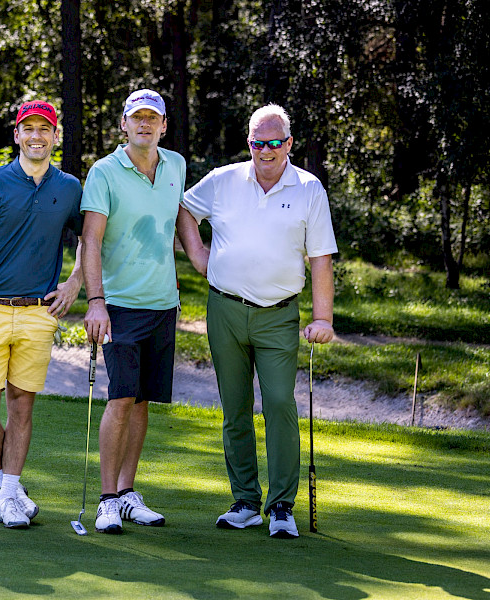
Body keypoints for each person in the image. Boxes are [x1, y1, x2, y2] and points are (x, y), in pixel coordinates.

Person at [176, 103, 337, 539]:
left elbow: (321, 258)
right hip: (224, 309)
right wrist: (198, 255)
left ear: (288, 143)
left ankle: (281, 506)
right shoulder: (223, 179)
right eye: (257, 143)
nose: (265, 151)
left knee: (280, 403)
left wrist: (323, 317)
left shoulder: (309, 188)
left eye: (274, 143)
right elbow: (184, 210)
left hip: (278, 315)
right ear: (248, 143)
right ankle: (246, 501)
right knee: (235, 407)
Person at [0, 101, 83, 529]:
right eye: (29, 128)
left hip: (38, 313)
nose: (36, 136)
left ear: (55, 136)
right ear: (17, 135)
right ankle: (9, 488)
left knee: (22, 406)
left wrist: (74, 282)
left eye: (45, 129)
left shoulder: (70, 187)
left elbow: (92, 238)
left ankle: (8, 496)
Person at [81, 89, 185, 534]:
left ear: (164, 125)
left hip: (163, 304)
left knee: (142, 401)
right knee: (121, 398)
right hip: (120, 306)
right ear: (123, 124)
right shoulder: (105, 172)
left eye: (152, 118)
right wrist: (96, 301)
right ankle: (106, 500)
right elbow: (91, 240)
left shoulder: (176, 165)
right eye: (136, 117)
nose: (145, 124)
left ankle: (127, 492)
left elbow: (182, 222)